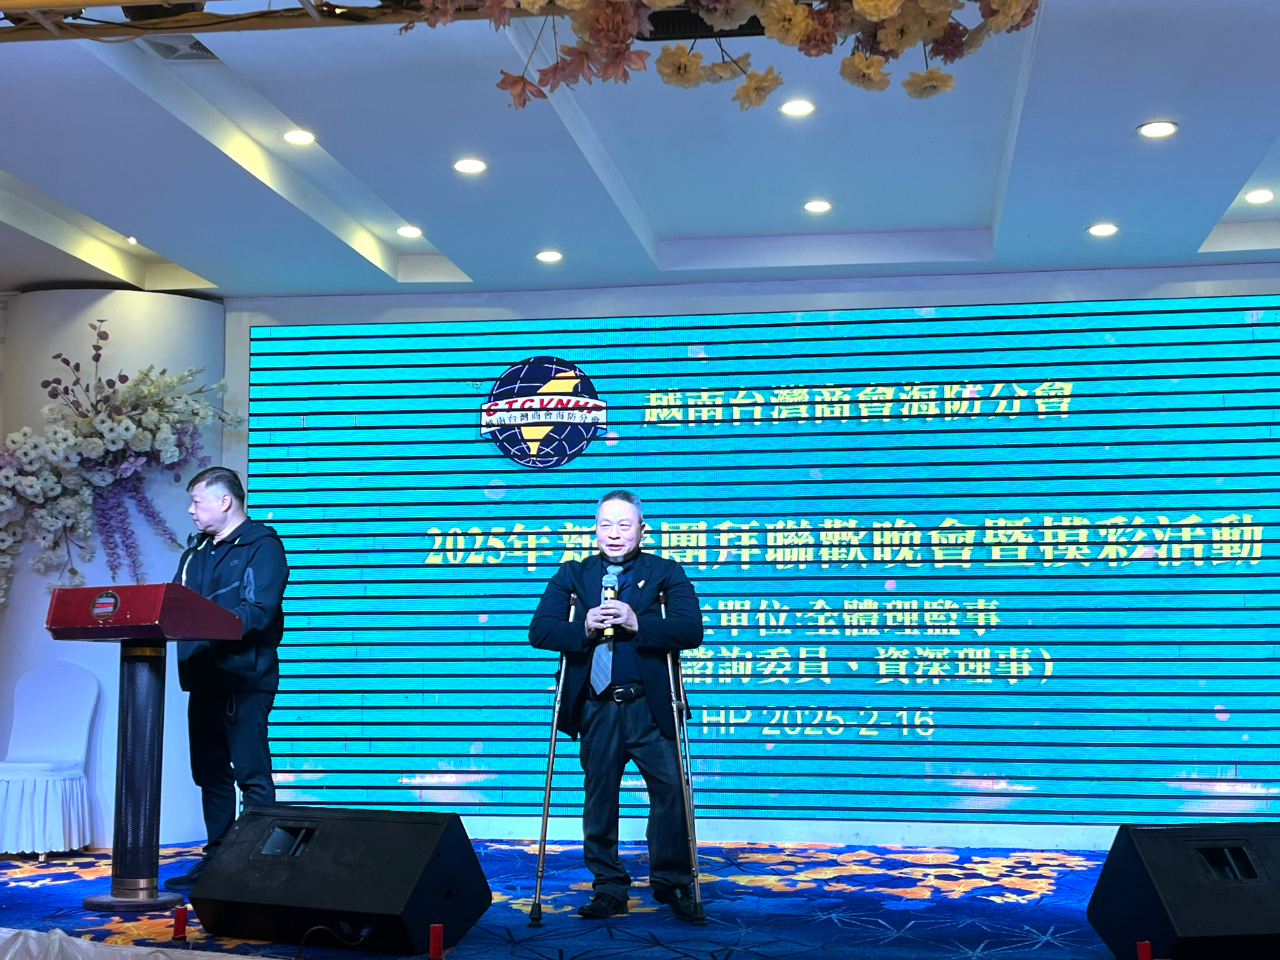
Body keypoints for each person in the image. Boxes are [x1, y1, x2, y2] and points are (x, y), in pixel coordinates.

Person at [529, 490, 704, 922]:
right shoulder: (573, 574)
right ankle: (608, 887)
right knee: (600, 798)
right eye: (606, 524)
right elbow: (540, 631)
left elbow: (690, 630)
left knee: (671, 792)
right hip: (598, 706)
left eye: (624, 524)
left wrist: (637, 622)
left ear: (642, 529)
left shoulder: (665, 572)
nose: (614, 533)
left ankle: (672, 882)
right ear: (594, 529)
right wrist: (584, 627)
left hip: (649, 706)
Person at [164, 467, 290, 891]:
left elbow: (258, 611)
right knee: (210, 773)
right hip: (203, 676)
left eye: (197, 501)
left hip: (244, 679)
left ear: (225, 501)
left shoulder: (263, 546)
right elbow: (176, 605)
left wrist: (208, 627)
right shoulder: (195, 551)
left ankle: (257, 865)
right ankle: (217, 859)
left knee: (250, 772)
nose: (191, 510)